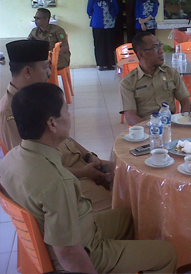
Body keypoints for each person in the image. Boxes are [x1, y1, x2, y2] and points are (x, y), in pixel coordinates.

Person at [0, 82, 177, 273]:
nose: (70, 116)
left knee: (130, 217)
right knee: (167, 254)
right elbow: (69, 255)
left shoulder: (10, 160)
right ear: (52, 124)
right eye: (66, 112)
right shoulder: (59, 182)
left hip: (79, 232)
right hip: (86, 252)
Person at [0, 40, 111, 211]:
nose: (49, 72)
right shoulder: (9, 112)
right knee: (124, 206)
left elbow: (66, 137)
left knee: (126, 170)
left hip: (80, 165)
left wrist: (88, 155)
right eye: (45, 67)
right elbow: (33, 171)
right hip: (67, 180)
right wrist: (85, 173)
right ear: (28, 71)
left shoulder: (37, 95)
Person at [120, 32, 191, 125]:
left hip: (171, 126)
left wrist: (182, 122)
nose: (161, 51)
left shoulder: (171, 73)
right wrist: (153, 130)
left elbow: (185, 102)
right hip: (147, 128)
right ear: (141, 54)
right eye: (155, 47)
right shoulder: (128, 82)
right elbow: (130, 116)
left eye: (160, 45)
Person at [87, 0, 119, 71]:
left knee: (109, 44)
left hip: (110, 25)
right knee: (99, 44)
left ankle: (110, 64)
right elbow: (89, 10)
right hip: (98, 25)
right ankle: (101, 64)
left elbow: (116, 9)